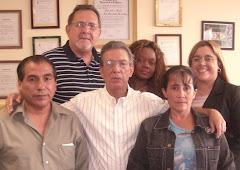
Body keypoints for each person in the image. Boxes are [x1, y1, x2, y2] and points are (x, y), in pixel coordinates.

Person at [62, 41, 225, 170]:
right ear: (101, 71)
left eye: (123, 64)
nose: (116, 70)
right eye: (110, 63)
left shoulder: (149, 102)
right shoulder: (82, 102)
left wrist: (209, 112)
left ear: (131, 70)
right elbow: (51, 112)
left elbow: (179, 105)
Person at [127, 65, 235, 170]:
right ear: (165, 92)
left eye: (186, 88)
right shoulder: (149, 127)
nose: (181, 94)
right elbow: (136, 166)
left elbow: (227, 165)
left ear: (194, 93)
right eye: (174, 88)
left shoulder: (211, 125)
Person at [0, 56, 88, 169]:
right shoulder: (3, 123)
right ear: (20, 84)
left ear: (55, 84)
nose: (41, 86)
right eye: (32, 79)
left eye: (47, 79)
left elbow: (82, 165)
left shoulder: (70, 120)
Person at [188, 40, 240, 168]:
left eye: (208, 58)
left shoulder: (233, 93)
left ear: (219, 65)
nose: (202, 63)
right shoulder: (184, 92)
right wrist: (208, 111)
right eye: (196, 59)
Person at [39, 5, 105, 104]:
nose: (86, 31)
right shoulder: (48, 60)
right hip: (62, 119)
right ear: (68, 30)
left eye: (92, 26)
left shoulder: (107, 62)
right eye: (79, 25)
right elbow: (35, 97)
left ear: (99, 33)